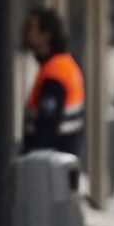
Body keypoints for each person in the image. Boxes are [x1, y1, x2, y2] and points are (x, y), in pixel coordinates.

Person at [21, 8, 86, 157]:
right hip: (58, 165)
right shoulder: (64, 66)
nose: (26, 34)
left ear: (46, 36)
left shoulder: (55, 72)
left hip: (48, 167)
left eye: (31, 28)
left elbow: (46, 128)